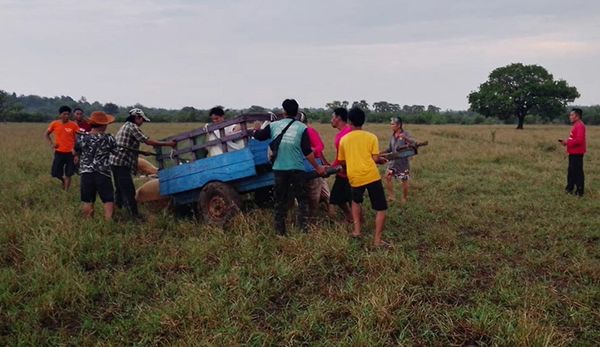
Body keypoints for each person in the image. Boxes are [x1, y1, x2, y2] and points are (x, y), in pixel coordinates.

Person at [253, 99, 325, 235]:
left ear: (284, 111)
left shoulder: (274, 126)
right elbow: (307, 151)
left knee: (280, 200)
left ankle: (280, 232)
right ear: (297, 112)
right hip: (297, 168)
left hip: (280, 169)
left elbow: (260, 137)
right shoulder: (302, 128)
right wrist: (317, 167)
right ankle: (303, 229)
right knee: (302, 200)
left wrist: (256, 131)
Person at [109, 108, 176, 218]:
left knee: (120, 189)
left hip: (115, 161)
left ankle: (119, 211)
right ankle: (134, 215)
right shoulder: (132, 127)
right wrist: (169, 144)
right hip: (121, 162)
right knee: (129, 190)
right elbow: (147, 141)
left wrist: (143, 153)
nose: (143, 122)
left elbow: (128, 145)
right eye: (142, 120)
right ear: (137, 118)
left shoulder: (126, 126)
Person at [338, 107, 389, 248]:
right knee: (381, 208)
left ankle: (357, 231)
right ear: (363, 121)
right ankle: (377, 241)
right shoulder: (371, 137)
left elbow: (342, 161)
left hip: (354, 176)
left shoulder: (344, 139)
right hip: (371, 175)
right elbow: (375, 158)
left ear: (349, 121)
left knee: (355, 201)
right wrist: (380, 160)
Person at [74, 111, 117, 220]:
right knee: (108, 199)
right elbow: (116, 152)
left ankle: (88, 222)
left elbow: (76, 150)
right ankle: (108, 222)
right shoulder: (109, 138)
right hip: (103, 173)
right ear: (103, 125)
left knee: (87, 200)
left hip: (86, 173)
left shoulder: (83, 138)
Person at [298, 112, 331, 215]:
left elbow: (319, 147)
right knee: (322, 193)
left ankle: (314, 218)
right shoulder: (300, 131)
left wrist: (309, 151)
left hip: (312, 167)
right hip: (308, 166)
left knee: (315, 195)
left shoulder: (309, 131)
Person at [44, 105, 79, 190]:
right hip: (59, 152)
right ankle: (63, 180)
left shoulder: (73, 125)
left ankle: (66, 191)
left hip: (71, 153)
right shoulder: (54, 124)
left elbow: (78, 140)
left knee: (69, 173)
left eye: (68, 114)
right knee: (55, 173)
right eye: (64, 114)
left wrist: (76, 154)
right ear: (60, 115)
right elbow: (46, 134)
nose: (66, 116)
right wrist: (52, 144)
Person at [329, 107, 353, 223]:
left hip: (350, 172)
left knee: (351, 199)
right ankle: (350, 216)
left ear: (338, 118)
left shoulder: (347, 134)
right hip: (343, 172)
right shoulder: (342, 134)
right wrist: (331, 167)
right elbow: (339, 157)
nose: (331, 120)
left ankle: (355, 219)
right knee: (337, 197)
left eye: (332, 117)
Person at [384, 116, 415, 204]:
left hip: (402, 163)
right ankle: (391, 197)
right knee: (388, 177)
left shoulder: (405, 134)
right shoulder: (393, 135)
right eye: (391, 124)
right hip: (393, 163)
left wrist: (405, 138)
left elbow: (414, 143)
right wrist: (380, 152)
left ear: (399, 125)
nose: (391, 126)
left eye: (393, 124)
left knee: (404, 180)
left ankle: (404, 198)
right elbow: (390, 148)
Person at [560, 108, 586, 197]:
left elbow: (579, 141)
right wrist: (566, 143)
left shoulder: (580, 126)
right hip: (573, 152)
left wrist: (567, 142)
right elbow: (574, 139)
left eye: (572, 115)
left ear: (577, 116)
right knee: (571, 172)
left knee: (577, 172)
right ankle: (569, 189)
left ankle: (579, 192)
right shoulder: (576, 125)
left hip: (577, 153)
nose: (570, 117)